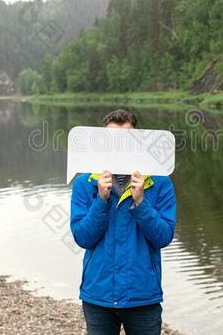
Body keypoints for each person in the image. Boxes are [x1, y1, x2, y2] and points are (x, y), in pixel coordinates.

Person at [70, 109, 177, 335]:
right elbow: (82, 237)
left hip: (142, 296)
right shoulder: (84, 184)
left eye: (126, 140)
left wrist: (140, 202)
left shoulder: (159, 183)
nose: (118, 146)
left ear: (137, 142)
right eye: (111, 140)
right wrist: (101, 199)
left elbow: (164, 237)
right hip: (98, 296)